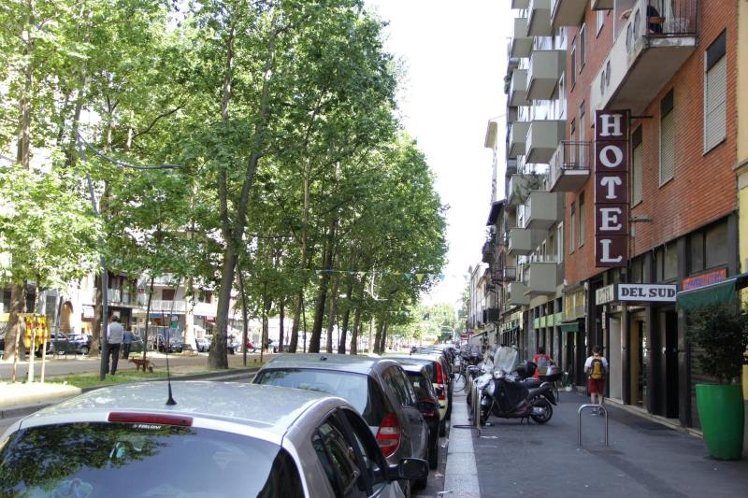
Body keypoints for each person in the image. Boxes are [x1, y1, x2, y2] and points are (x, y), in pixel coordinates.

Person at [584, 345, 609, 414]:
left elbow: (585, 370)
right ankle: (600, 408)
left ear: (592, 351)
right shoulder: (603, 359)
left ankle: (594, 409)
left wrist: (590, 373)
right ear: (600, 351)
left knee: (593, 393)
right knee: (600, 393)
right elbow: (607, 370)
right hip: (601, 378)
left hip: (592, 378)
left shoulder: (589, 359)